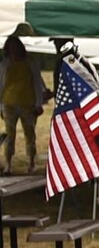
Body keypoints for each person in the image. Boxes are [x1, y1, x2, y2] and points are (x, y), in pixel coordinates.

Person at [0, 35, 46, 174]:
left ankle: (31, 163)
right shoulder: (4, 65)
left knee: (30, 135)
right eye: (11, 48)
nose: (14, 50)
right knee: (9, 135)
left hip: (28, 103)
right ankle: (8, 165)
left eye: (16, 47)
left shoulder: (30, 63)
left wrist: (39, 103)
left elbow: (37, 83)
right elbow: (0, 86)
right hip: (9, 104)